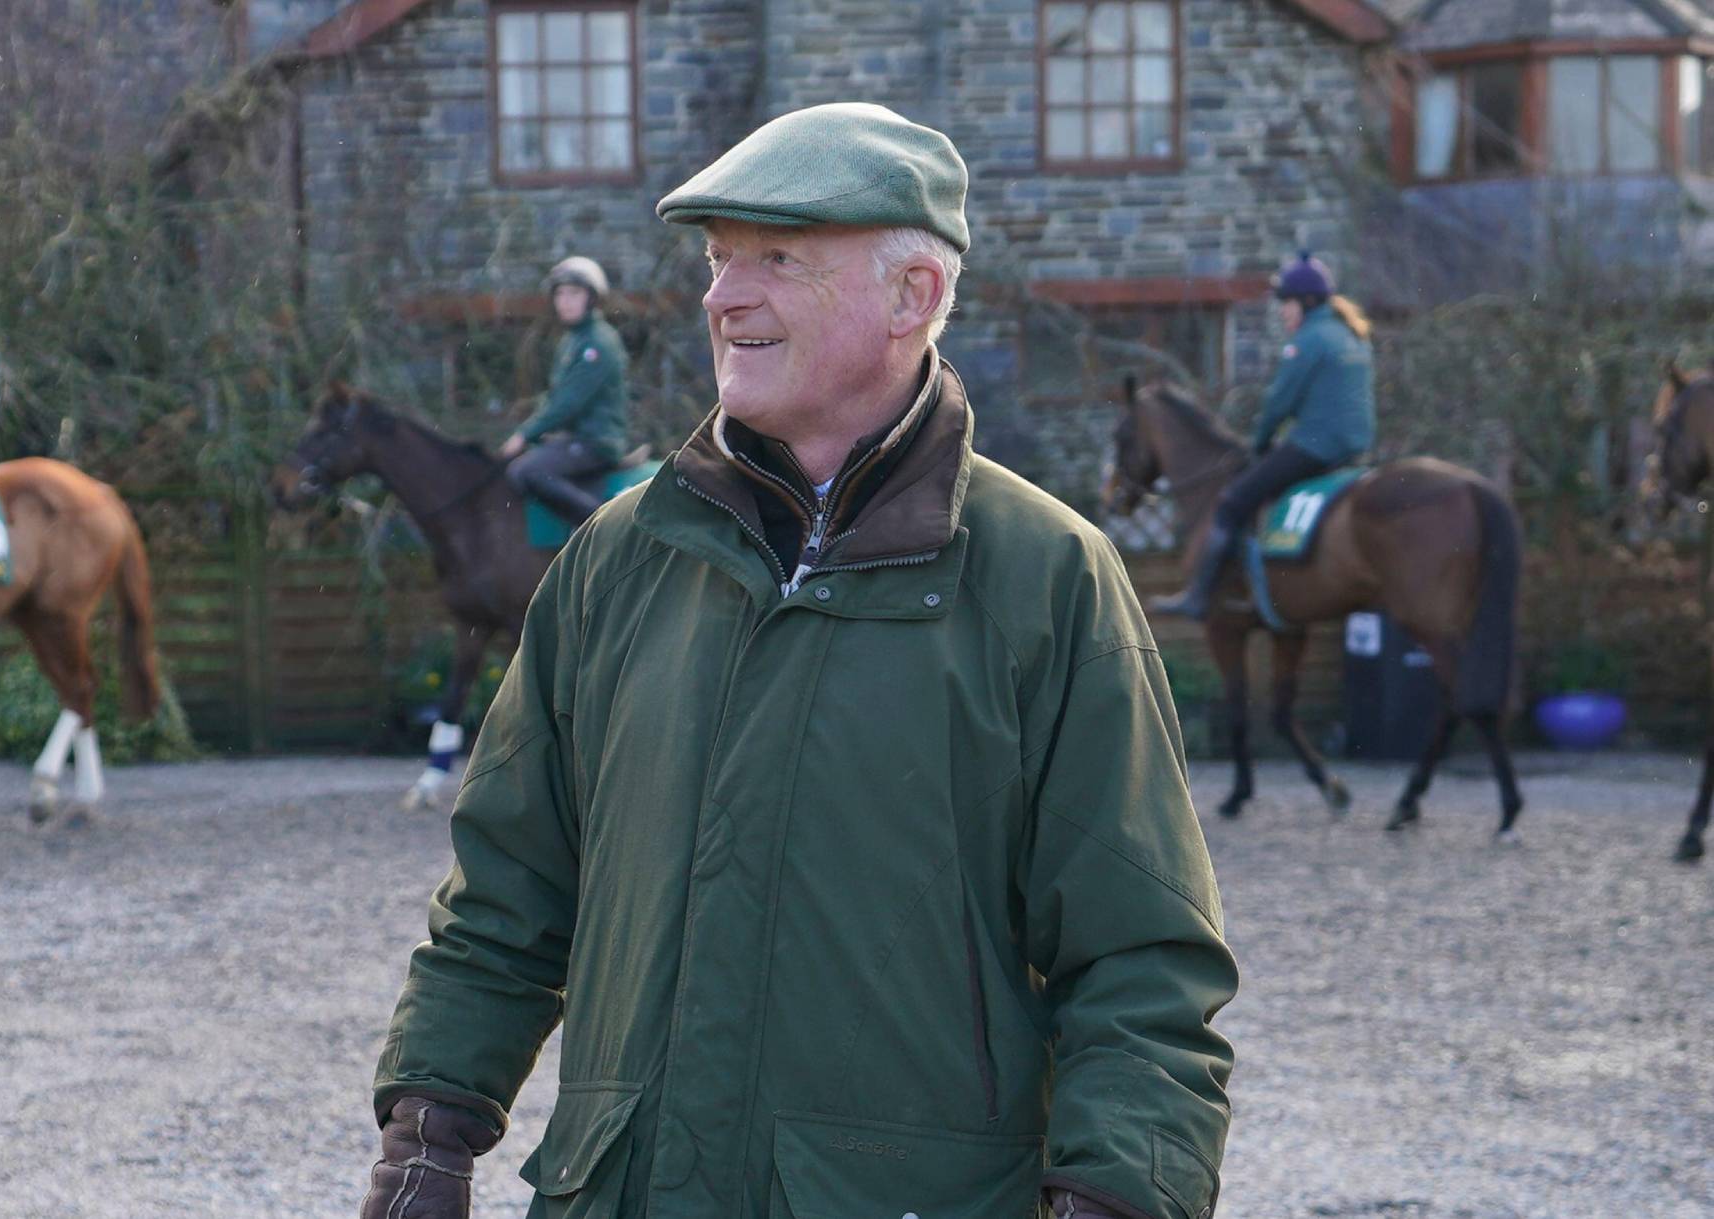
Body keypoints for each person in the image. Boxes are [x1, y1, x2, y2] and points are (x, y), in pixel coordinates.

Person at [357, 103, 1236, 1219]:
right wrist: (426, 1132)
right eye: (721, 259)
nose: (725, 295)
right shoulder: (616, 563)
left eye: (779, 257)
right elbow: (507, 889)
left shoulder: (1049, 578)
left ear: (913, 296)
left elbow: (1143, 960)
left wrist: (1118, 1195)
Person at [1150, 251, 1376, 619]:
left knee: (1232, 502)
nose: (1283, 312)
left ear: (1305, 302)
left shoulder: (1308, 340)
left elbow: (1278, 404)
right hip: (1354, 451)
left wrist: (1257, 444)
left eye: (1285, 304)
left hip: (1315, 448)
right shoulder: (1352, 334)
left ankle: (1198, 595)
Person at [500, 256, 631, 525]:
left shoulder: (597, 344)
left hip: (595, 441)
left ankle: (602, 526)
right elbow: (557, 396)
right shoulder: (574, 340)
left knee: (527, 470)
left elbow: (568, 403)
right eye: (560, 293)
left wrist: (525, 435)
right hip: (575, 439)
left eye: (574, 293)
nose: (565, 300)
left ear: (592, 298)